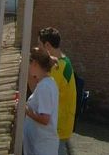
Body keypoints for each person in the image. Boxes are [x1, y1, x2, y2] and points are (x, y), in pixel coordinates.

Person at [38, 26, 77, 155]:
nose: (38, 49)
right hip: (63, 124)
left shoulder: (57, 67)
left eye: (40, 45)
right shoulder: (65, 61)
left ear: (47, 45)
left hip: (57, 127)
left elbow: (42, 92)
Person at [23, 45, 59, 155]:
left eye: (29, 63)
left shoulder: (45, 87)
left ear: (34, 63)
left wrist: (26, 110)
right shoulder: (46, 83)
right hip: (40, 146)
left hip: (42, 148)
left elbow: (45, 119)